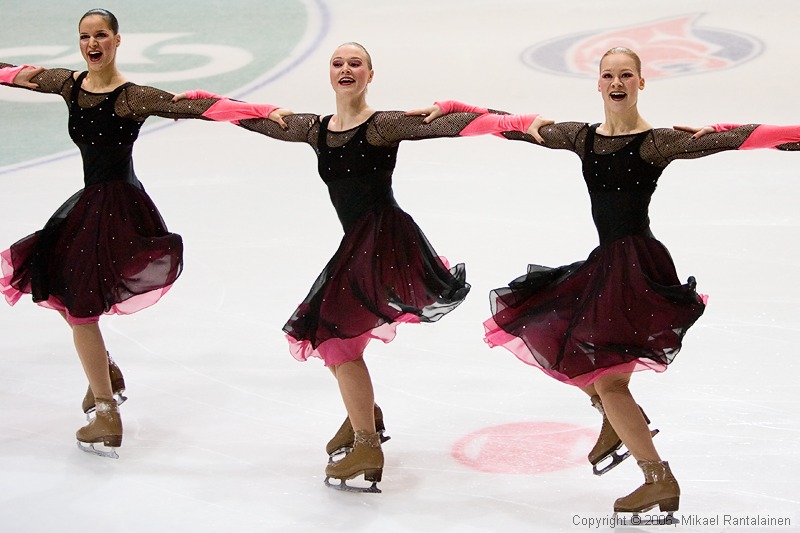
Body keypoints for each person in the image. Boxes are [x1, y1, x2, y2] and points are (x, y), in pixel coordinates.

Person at [420, 47, 800, 516]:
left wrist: (728, 131)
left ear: (641, 82)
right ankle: (616, 425)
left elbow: (746, 139)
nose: (617, 82)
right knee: (560, 339)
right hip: (605, 266)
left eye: (626, 75)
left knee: (611, 381)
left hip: (636, 270)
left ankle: (657, 478)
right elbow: (515, 127)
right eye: (608, 75)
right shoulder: (584, 138)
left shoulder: (656, 143)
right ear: (598, 84)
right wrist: (459, 109)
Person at [176, 42, 545, 491]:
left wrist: (516, 122)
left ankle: (368, 443)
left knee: (334, 341)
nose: (346, 69)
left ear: (371, 74)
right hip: (359, 245)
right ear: (329, 74)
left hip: (383, 241)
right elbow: (258, 119)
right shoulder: (317, 129)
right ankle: (363, 418)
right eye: (338, 64)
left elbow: (457, 126)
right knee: (330, 334)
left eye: (355, 64)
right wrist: (202, 103)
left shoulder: (381, 126)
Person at [0, 8, 287, 459]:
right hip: (88, 203)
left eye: (101, 36)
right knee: (54, 282)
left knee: (79, 309)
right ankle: (107, 374)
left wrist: (261, 112)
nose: (92, 44)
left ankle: (105, 411)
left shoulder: (130, 97)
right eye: (84, 37)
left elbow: (193, 106)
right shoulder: (68, 85)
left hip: (116, 208)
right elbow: (13, 74)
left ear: (117, 41)